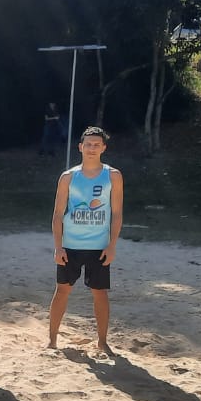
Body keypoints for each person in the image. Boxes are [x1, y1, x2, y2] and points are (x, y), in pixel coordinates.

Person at [47, 126, 124, 356]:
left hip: (99, 246)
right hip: (70, 245)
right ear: (80, 147)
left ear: (103, 148)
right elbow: (57, 214)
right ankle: (52, 340)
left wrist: (112, 245)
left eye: (96, 144)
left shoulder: (113, 176)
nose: (92, 148)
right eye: (88, 144)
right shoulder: (68, 177)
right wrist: (58, 247)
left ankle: (102, 342)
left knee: (100, 292)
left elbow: (117, 213)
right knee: (62, 290)